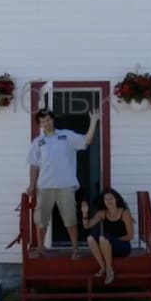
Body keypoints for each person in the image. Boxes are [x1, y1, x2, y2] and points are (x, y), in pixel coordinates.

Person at [26, 107, 100, 259]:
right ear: (39, 124)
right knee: (41, 219)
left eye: (48, 119)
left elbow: (87, 140)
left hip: (66, 186)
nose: (45, 123)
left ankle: (75, 250)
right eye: (42, 121)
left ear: (53, 120)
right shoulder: (37, 142)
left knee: (70, 219)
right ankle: (40, 249)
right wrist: (31, 185)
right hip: (45, 186)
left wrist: (93, 121)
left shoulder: (67, 135)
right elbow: (34, 165)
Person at [80, 188, 133, 284]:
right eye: (106, 199)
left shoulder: (124, 213)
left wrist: (112, 241)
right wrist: (85, 213)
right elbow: (87, 226)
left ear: (116, 199)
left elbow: (130, 236)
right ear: (103, 202)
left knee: (103, 238)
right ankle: (103, 267)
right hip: (106, 244)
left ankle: (109, 271)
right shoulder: (102, 213)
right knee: (90, 238)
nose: (109, 201)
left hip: (122, 246)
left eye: (111, 198)